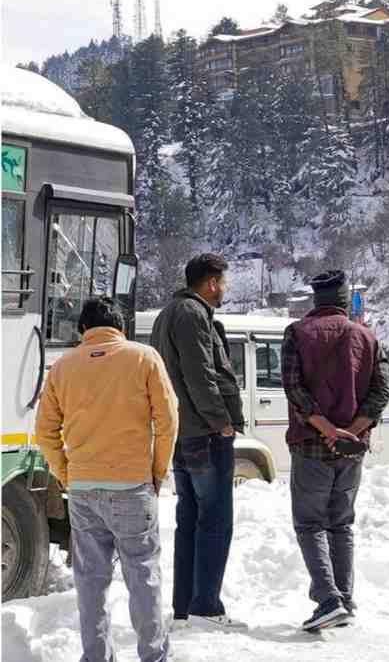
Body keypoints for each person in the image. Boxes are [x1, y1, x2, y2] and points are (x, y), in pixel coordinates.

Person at [34, 297, 178, 662]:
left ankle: (96, 656)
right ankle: (153, 656)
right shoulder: (143, 358)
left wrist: (67, 474)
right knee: (142, 575)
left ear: (83, 330)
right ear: (120, 328)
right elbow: (168, 421)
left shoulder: (63, 367)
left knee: (90, 581)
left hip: (83, 489)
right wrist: (157, 472)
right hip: (133, 486)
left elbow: (45, 431)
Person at [282, 270, 389, 632]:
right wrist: (350, 432)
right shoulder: (367, 337)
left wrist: (327, 429)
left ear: (316, 300)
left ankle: (328, 600)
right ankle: (345, 598)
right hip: (351, 449)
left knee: (310, 524)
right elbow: (381, 394)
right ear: (344, 301)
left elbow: (294, 390)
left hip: (310, 444)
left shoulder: (297, 334)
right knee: (341, 524)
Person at [150, 253, 247, 631]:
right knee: (215, 520)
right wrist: (221, 421)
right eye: (223, 282)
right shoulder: (192, 314)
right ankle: (205, 606)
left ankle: (185, 607)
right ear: (210, 283)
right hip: (203, 434)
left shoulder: (167, 313)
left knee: (189, 520)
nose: (225, 289)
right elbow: (200, 376)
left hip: (180, 433)